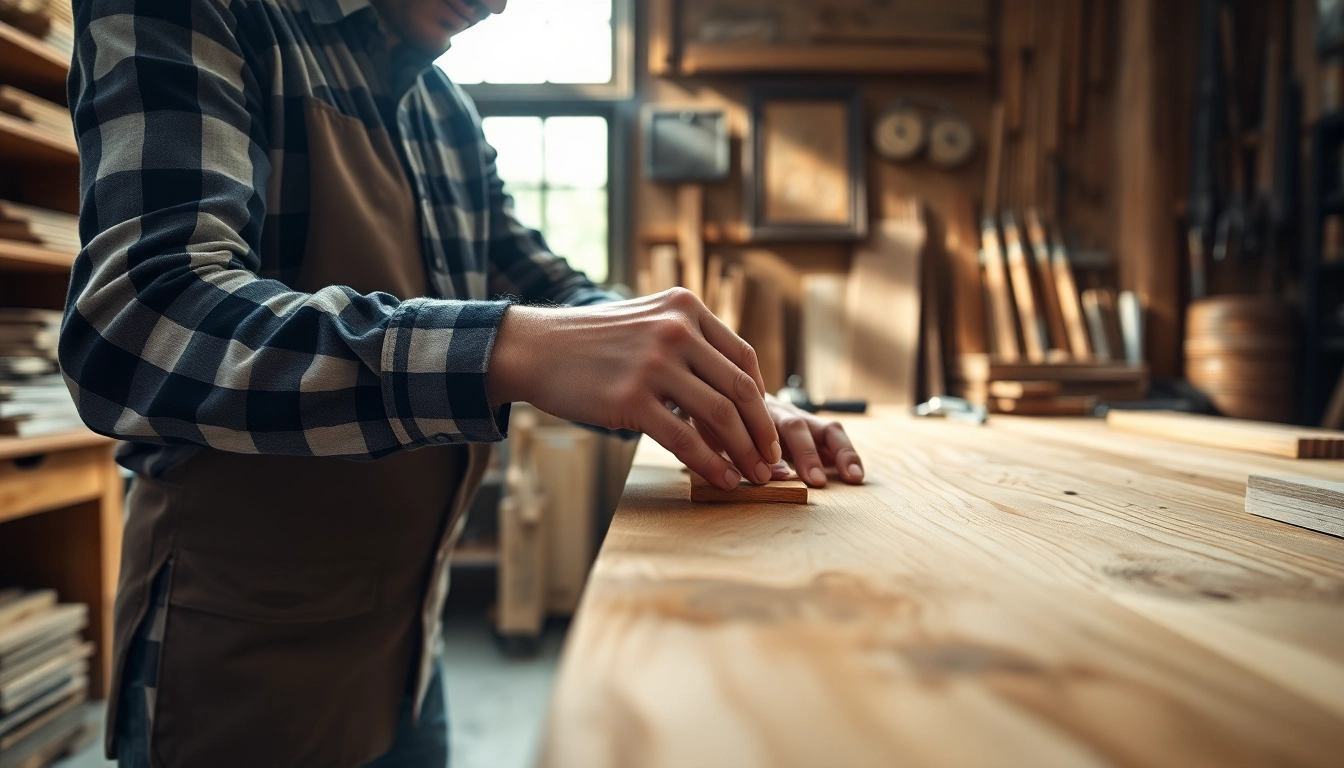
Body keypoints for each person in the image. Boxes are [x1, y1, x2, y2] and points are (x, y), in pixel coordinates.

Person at [60, 0, 867, 765]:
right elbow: (137, 320)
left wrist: (706, 385)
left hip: (411, 644)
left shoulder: (442, 108)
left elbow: (546, 286)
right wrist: (502, 348)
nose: (498, 6)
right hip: (243, 661)